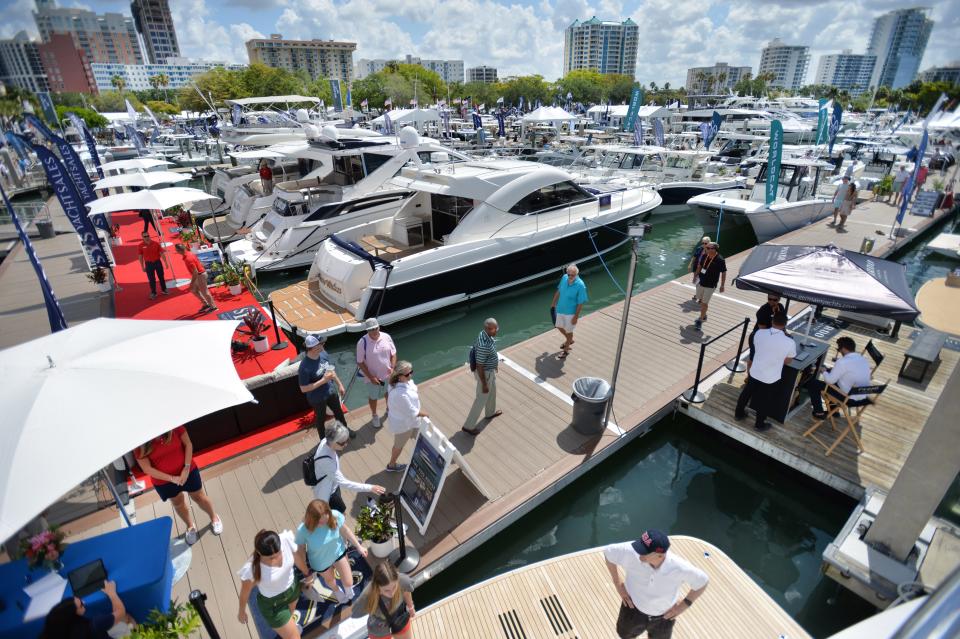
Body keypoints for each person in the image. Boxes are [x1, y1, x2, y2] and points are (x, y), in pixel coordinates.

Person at [604, 529, 709, 639]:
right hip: (631, 609)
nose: (638, 552)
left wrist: (683, 606)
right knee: (624, 635)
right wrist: (617, 583)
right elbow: (608, 553)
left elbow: (702, 582)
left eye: (644, 551)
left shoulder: (679, 567)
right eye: (639, 546)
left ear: (660, 555)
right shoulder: (631, 551)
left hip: (664, 618)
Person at [135, 427, 223, 545]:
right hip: (164, 481)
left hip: (188, 471)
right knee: (177, 503)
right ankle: (190, 526)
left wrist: (186, 468)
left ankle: (214, 517)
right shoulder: (139, 443)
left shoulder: (174, 426)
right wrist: (172, 478)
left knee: (199, 497)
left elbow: (188, 444)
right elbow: (147, 469)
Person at [237, 529, 311, 639]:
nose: (278, 559)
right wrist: (241, 612)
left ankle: (289, 625)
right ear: (259, 554)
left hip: (293, 588)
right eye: (271, 558)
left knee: (290, 614)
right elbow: (245, 593)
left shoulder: (285, 540)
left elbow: (296, 558)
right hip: (273, 604)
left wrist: (307, 574)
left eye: (279, 553)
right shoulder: (251, 569)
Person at [294, 499, 367, 605]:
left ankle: (347, 590)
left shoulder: (335, 515)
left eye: (325, 520)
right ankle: (336, 590)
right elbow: (300, 551)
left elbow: (345, 531)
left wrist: (359, 546)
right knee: (330, 580)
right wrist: (306, 572)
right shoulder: (303, 530)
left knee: (348, 582)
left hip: (338, 552)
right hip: (320, 561)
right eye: (319, 522)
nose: (323, 523)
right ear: (311, 519)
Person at [734, 312, 796, 432]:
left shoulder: (759, 333)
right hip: (771, 377)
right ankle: (759, 424)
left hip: (755, 371)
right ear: (784, 325)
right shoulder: (789, 342)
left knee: (746, 392)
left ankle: (738, 414)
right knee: (765, 400)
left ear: (772, 322)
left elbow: (757, 348)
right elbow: (788, 361)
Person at [312, 421, 385, 514]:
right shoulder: (326, 462)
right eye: (343, 443)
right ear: (333, 442)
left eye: (347, 441)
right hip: (328, 494)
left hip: (332, 486)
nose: (346, 444)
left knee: (340, 514)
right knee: (338, 516)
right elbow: (345, 483)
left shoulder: (325, 442)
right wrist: (370, 488)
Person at [299, 334, 354, 439]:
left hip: (330, 392)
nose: (324, 344)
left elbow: (331, 371)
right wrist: (323, 381)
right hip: (317, 398)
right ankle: (323, 442)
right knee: (320, 420)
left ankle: (345, 430)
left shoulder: (323, 354)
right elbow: (303, 388)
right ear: (315, 347)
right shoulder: (304, 367)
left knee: (339, 412)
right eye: (322, 343)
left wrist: (339, 384)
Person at [805, 336, 872, 419]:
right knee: (835, 382)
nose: (839, 351)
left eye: (838, 349)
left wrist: (824, 371)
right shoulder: (863, 359)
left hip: (849, 399)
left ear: (843, 348)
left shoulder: (842, 362)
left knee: (813, 383)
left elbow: (830, 381)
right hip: (861, 396)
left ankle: (819, 413)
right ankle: (834, 412)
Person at [40, 580, 134, 639]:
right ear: (73, 615)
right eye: (81, 604)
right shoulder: (95, 624)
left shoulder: (54, 632)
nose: (84, 602)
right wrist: (111, 593)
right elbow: (121, 611)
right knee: (127, 619)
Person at [351, 562, 416, 639]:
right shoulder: (367, 595)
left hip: (400, 618)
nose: (392, 593)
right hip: (378, 629)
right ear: (377, 587)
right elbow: (355, 613)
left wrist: (411, 607)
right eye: (386, 590)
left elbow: (406, 592)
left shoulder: (402, 580)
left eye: (394, 587)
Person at [462, 318, 503, 435]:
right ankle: (468, 426)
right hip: (485, 374)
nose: (497, 330)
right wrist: (484, 384)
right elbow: (480, 366)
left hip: (490, 371)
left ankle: (490, 413)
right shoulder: (483, 345)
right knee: (481, 399)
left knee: (492, 392)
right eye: (495, 329)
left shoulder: (483, 334)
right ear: (488, 329)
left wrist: (494, 365)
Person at [385, 361, 426, 472]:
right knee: (398, 446)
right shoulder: (400, 394)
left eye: (411, 372)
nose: (410, 375)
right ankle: (391, 465)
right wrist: (427, 415)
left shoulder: (398, 383)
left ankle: (422, 459)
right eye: (408, 374)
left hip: (412, 422)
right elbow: (413, 412)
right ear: (399, 376)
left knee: (422, 440)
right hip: (404, 425)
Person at [356, 318, 396, 429]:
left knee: (388, 392)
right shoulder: (362, 343)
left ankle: (389, 409)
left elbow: (393, 353)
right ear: (367, 331)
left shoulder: (386, 337)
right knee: (373, 397)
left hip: (387, 375)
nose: (374, 331)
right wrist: (371, 377)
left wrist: (392, 367)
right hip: (372, 378)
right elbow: (359, 362)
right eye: (370, 330)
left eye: (375, 328)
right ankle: (374, 415)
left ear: (379, 327)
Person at [550, 264, 588, 357]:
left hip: (571, 313)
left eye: (573, 275)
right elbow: (559, 291)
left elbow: (580, 303)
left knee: (569, 331)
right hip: (560, 309)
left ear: (577, 274)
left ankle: (566, 350)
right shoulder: (564, 277)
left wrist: (576, 317)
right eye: (569, 274)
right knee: (558, 325)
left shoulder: (580, 285)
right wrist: (553, 303)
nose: (570, 277)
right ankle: (569, 340)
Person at [174, 244, 217, 313]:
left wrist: (192, 283)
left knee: (205, 292)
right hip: (200, 275)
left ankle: (213, 307)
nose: (176, 251)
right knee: (193, 290)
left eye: (176, 250)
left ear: (179, 251)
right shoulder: (189, 253)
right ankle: (206, 304)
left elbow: (195, 272)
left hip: (200, 275)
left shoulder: (188, 259)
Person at [692, 242, 726, 331]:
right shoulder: (704, 256)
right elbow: (699, 266)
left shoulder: (720, 260)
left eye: (711, 248)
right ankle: (704, 314)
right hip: (701, 282)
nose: (708, 249)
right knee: (700, 300)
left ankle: (700, 320)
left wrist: (722, 285)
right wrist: (695, 276)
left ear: (715, 249)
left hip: (710, 285)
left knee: (704, 303)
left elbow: (724, 272)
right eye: (707, 248)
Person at [748, 294, 785, 366]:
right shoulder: (763, 310)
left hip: (772, 336)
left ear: (779, 300)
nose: (771, 301)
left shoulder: (780, 307)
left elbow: (781, 322)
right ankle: (749, 376)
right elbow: (763, 330)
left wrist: (784, 333)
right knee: (753, 358)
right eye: (769, 299)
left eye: (775, 300)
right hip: (759, 337)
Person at [138, 232, 168, 300]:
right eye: (145, 236)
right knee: (151, 279)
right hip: (148, 264)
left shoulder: (156, 243)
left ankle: (164, 289)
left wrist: (165, 262)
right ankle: (153, 293)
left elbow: (161, 253)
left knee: (161, 277)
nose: (147, 237)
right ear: (142, 237)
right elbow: (140, 257)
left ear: (149, 236)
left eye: (147, 236)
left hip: (157, 262)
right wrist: (142, 267)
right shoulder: (140, 246)